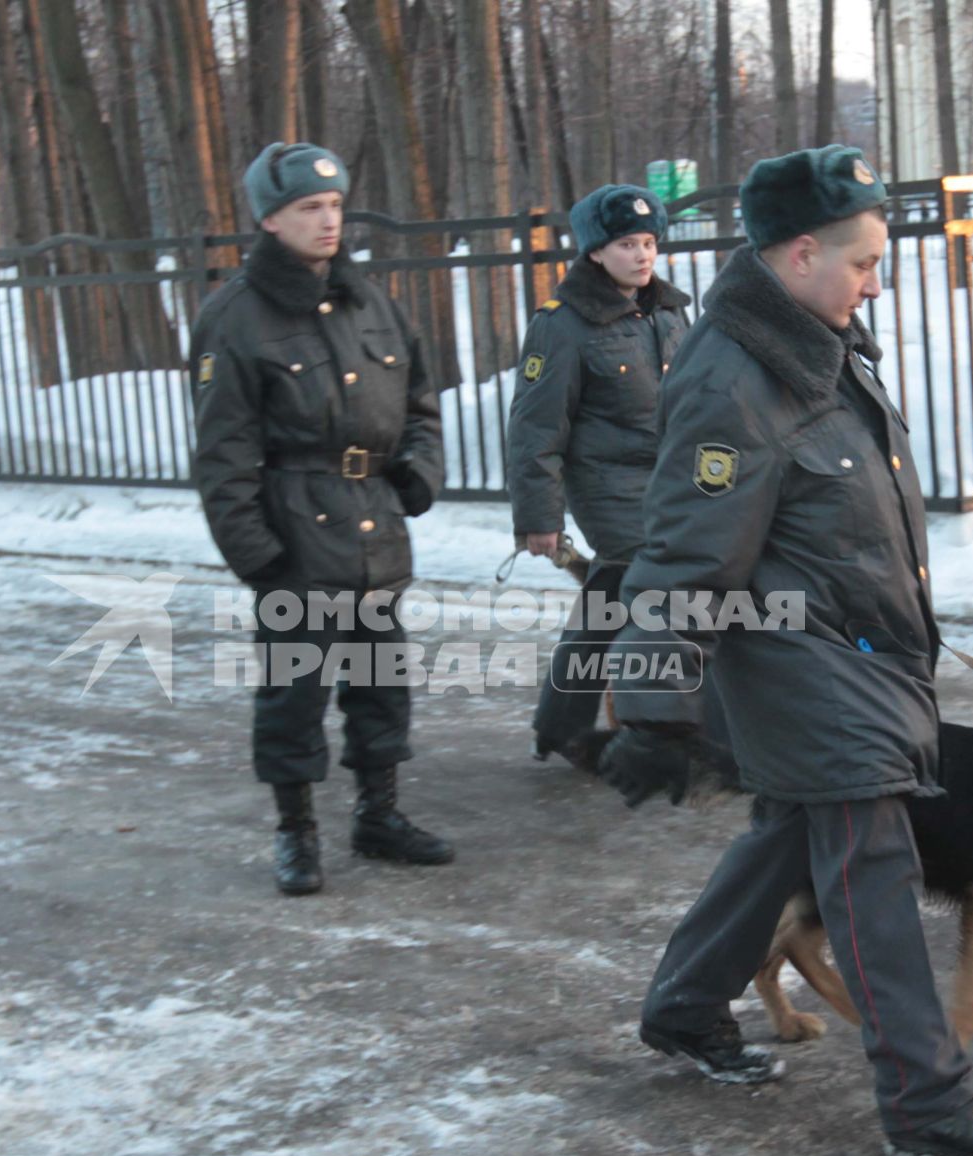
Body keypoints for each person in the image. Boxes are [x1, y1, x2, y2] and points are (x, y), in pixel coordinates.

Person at [595, 144, 973, 1156]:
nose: (876, 279)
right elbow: (683, 552)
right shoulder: (733, 381)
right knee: (871, 885)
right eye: (861, 261)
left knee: (786, 840)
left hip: (858, 657)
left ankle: (682, 1003)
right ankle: (931, 1106)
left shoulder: (821, 342)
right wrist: (655, 701)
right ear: (800, 252)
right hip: (805, 672)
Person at [191, 142, 452, 897]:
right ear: (271, 219)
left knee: (381, 681)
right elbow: (221, 453)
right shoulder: (234, 318)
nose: (328, 220)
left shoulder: (373, 303)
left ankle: (380, 815)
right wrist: (258, 557)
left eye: (335, 206)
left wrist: (418, 474)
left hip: (375, 527)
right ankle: (296, 831)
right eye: (309, 208)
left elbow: (421, 405)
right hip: (294, 535)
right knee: (293, 693)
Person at [507, 184, 691, 771]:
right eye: (626, 244)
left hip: (676, 484)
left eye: (648, 243)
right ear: (593, 252)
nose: (642, 256)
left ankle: (560, 726)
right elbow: (536, 426)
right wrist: (540, 518)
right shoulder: (562, 324)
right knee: (653, 597)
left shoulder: (669, 309)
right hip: (610, 489)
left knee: (609, 604)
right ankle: (652, 730)